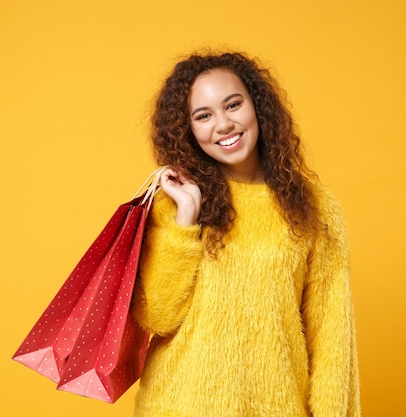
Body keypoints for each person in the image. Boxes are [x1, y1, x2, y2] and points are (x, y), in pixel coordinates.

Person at [132, 51, 360, 417]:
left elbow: (332, 337)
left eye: (233, 105)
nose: (222, 124)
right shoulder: (174, 204)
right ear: (187, 129)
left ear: (257, 106)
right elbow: (156, 317)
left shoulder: (314, 207)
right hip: (179, 406)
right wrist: (186, 218)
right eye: (203, 115)